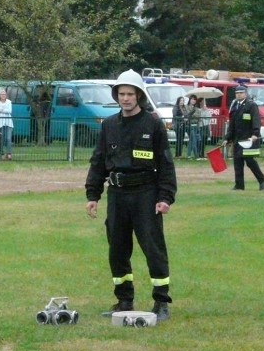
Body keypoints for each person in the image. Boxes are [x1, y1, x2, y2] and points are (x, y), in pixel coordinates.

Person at [85, 69, 177, 322]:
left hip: (146, 195)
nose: (125, 98)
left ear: (139, 96)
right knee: (117, 249)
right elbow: (98, 162)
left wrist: (165, 197)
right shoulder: (110, 126)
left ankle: (161, 302)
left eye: (130, 94)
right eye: (121, 94)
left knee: (153, 248)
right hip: (117, 195)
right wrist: (93, 194)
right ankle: (124, 299)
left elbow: (166, 165)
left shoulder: (153, 125)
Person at [224, 84, 264, 191]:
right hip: (237, 140)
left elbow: (256, 120)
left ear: (245, 93)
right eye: (237, 93)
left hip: (249, 139)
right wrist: (227, 138)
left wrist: (255, 134)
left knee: (249, 161)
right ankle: (239, 185)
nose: (238, 95)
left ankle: (262, 180)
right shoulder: (234, 105)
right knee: (237, 163)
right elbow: (232, 124)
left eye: (241, 93)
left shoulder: (251, 105)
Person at [0, 88, 14, 160]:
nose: (3, 95)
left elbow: (9, 111)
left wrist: (1, 110)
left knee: (8, 138)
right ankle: (2, 153)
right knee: (1, 139)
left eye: (4, 94)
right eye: (2, 94)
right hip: (0, 122)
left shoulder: (9, 102)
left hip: (8, 123)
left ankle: (9, 154)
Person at [185, 94, 201, 159]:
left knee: (192, 141)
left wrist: (193, 115)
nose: (193, 101)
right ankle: (196, 156)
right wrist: (193, 115)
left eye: (195, 99)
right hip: (189, 126)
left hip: (196, 126)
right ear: (190, 100)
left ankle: (189, 155)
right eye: (192, 99)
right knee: (193, 140)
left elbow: (198, 116)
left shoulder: (197, 108)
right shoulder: (186, 107)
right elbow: (188, 115)